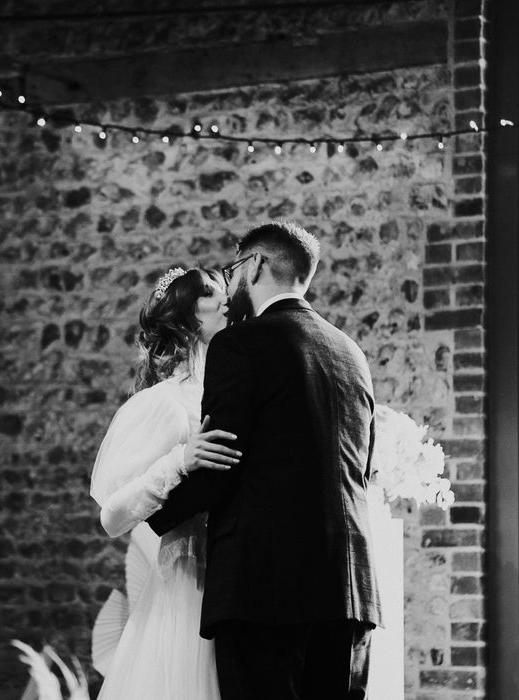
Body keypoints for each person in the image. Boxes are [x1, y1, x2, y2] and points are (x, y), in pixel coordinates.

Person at [147, 221, 383, 700]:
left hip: (266, 588)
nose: (231, 283)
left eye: (233, 270)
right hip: (349, 587)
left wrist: (156, 514)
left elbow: (221, 459)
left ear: (254, 265)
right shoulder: (350, 351)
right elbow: (361, 466)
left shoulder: (242, 343)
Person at [89, 266, 242, 700]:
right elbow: (112, 516)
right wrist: (180, 460)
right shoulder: (167, 404)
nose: (226, 298)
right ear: (188, 316)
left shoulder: (224, 389)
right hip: (186, 583)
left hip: (231, 580)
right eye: (211, 293)